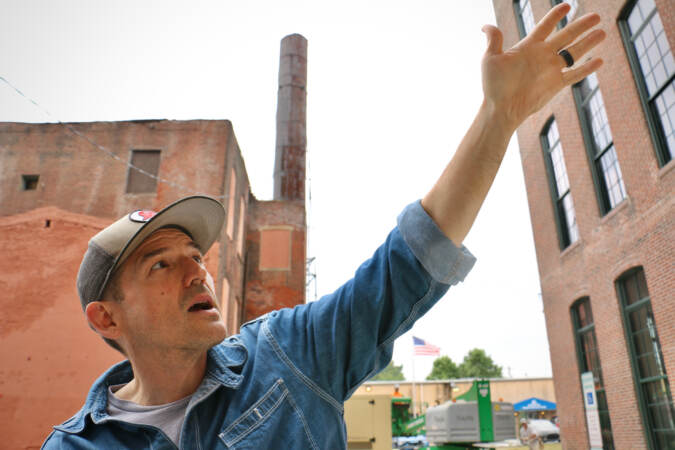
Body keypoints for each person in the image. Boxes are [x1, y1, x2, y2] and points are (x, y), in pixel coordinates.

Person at [42, 3, 604, 448]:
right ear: (106, 316)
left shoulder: (287, 353)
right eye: (161, 264)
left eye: (196, 255)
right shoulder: (74, 446)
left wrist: (498, 116)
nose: (197, 272)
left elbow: (410, 263)